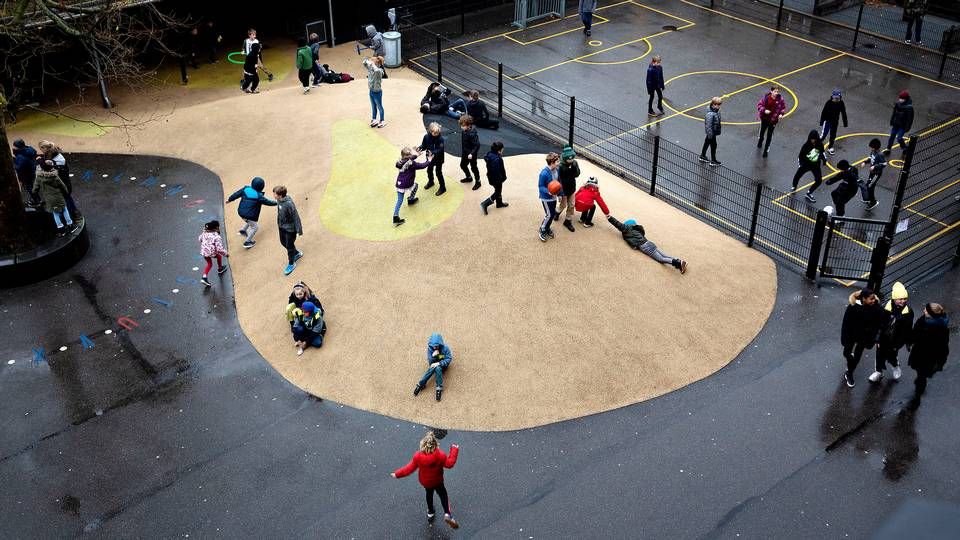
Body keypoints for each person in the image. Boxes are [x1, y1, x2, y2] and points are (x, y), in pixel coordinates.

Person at [391, 431, 460, 529]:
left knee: (429, 494)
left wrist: (397, 474)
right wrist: (454, 449)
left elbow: (408, 469)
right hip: (438, 480)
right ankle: (447, 514)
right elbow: (450, 464)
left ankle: (430, 512)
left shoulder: (418, 457)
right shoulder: (440, 455)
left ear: (422, 446)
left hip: (426, 482)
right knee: (443, 494)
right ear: (436, 445)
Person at [607, 215, 687, 273]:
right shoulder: (637, 230)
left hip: (645, 246)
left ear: (627, 225)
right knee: (664, 255)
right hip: (648, 243)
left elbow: (617, 224)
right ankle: (679, 261)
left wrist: (610, 218)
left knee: (661, 259)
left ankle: (678, 263)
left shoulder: (627, 229)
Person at [840, 287, 885, 388]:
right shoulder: (853, 306)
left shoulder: (876, 308)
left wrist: (875, 337)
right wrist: (844, 337)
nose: (874, 300)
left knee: (857, 356)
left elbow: (880, 323)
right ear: (863, 299)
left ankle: (850, 373)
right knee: (847, 353)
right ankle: (850, 362)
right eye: (871, 299)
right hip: (851, 334)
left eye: (874, 298)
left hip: (864, 336)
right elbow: (846, 323)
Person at [869, 282, 914, 383]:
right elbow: (880, 324)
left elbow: (907, 329)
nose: (903, 301)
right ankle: (878, 372)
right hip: (883, 337)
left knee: (891, 355)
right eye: (900, 299)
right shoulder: (886, 307)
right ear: (894, 299)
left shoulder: (908, 312)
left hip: (895, 340)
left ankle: (895, 366)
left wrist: (900, 343)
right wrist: (877, 338)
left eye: (905, 299)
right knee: (879, 355)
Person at [907, 303, 949, 403]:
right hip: (918, 352)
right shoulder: (923, 320)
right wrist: (910, 341)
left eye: (926, 310)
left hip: (928, 358)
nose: (923, 311)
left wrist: (940, 362)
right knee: (920, 372)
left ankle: (917, 396)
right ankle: (920, 381)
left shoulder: (941, 329)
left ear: (931, 314)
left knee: (921, 375)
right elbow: (915, 332)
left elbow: (943, 347)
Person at [226, 176, 277, 248]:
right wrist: (277, 202)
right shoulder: (259, 196)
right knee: (255, 227)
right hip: (249, 215)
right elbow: (268, 202)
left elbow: (236, 194)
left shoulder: (245, 189)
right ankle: (247, 242)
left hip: (240, 211)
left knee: (250, 221)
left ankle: (243, 230)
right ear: (262, 187)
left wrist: (229, 199)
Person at [32, 160, 74, 236]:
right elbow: (62, 186)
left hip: (49, 199)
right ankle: (70, 224)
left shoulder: (39, 177)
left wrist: (35, 194)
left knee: (56, 213)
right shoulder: (54, 176)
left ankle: (61, 229)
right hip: (58, 196)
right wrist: (66, 193)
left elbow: (35, 189)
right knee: (64, 209)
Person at [393, 147, 430, 227]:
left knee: (399, 200)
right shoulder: (411, 164)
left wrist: (417, 155)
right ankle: (411, 199)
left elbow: (410, 158)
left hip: (399, 183)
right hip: (407, 183)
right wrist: (429, 160)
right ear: (408, 156)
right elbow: (422, 166)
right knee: (415, 185)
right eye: (410, 154)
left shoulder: (400, 161)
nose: (411, 155)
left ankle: (395, 217)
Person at [413, 333, 454, 401]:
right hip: (433, 364)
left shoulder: (446, 348)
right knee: (434, 368)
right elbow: (430, 360)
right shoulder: (430, 349)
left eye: (436, 346)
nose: (435, 347)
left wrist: (438, 362)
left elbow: (448, 358)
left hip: (443, 366)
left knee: (437, 368)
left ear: (440, 344)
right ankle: (424, 385)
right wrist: (433, 356)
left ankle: (422, 385)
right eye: (433, 346)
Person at [273, 185, 303, 275]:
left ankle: (291, 263)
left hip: (290, 229)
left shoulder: (288, 204)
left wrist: (299, 229)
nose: (273, 195)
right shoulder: (278, 201)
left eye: (275, 194)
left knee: (289, 246)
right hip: (281, 226)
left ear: (280, 195)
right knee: (283, 242)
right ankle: (296, 253)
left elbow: (295, 216)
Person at [791, 130, 828, 203]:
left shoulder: (820, 144)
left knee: (819, 180)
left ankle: (809, 193)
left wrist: (824, 160)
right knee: (797, 175)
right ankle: (794, 186)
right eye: (812, 139)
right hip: (806, 164)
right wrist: (800, 165)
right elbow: (800, 156)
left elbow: (822, 153)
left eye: (814, 139)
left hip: (815, 165)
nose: (813, 140)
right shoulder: (806, 145)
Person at [555, 145, 580, 233]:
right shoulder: (560, 166)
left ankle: (568, 220)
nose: (571, 160)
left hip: (572, 187)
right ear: (565, 158)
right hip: (563, 189)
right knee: (563, 205)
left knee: (572, 205)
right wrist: (559, 193)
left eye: (572, 159)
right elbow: (558, 180)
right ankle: (557, 212)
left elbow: (577, 174)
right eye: (569, 159)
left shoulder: (574, 163)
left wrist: (574, 167)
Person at [418, 122, 447, 196]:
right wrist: (420, 148)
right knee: (429, 170)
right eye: (435, 133)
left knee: (438, 173)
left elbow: (440, 149)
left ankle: (443, 187)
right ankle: (431, 182)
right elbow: (424, 145)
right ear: (430, 131)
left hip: (438, 159)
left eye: (438, 132)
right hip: (430, 158)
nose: (437, 134)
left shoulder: (440, 139)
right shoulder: (426, 137)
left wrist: (432, 152)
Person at [756, 86, 786, 158]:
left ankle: (766, 150)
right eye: (775, 91)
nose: (776, 93)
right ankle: (760, 140)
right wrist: (764, 110)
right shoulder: (766, 98)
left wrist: (781, 114)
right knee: (762, 131)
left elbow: (783, 107)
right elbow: (759, 105)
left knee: (769, 136)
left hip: (773, 120)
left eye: (777, 92)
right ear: (771, 91)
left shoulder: (780, 99)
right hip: (765, 119)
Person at [198, 220, 229, 287]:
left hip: (204, 252)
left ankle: (204, 277)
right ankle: (220, 268)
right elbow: (219, 249)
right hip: (211, 252)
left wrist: (203, 232)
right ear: (216, 228)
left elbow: (199, 239)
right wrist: (226, 254)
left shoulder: (205, 233)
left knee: (209, 264)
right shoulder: (217, 237)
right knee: (219, 256)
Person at [538, 152, 561, 242]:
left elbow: (558, 184)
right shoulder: (544, 173)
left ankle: (547, 228)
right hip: (546, 198)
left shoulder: (556, 170)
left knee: (552, 214)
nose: (559, 163)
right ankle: (542, 229)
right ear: (552, 162)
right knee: (549, 214)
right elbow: (540, 186)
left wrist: (559, 194)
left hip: (553, 196)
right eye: (557, 161)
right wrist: (548, 191)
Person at [481, 141, 508, 214]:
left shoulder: (490, 155)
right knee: (497, 192)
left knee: (498, 190)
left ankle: (499, 203)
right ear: (499, 150)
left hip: (491, 177)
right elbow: (497, 172)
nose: (503, 150)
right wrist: (502, 178)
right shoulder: (497, 159)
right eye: (502, 149)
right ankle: (485, 203)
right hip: (497, 179)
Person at [819, 89, 848, 155]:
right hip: (827, 121)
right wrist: (821, 121)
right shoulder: (828, 103)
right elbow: (823, 112)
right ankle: (816, 144)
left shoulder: (841, 103)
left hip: (835, 122)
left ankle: (830, 147)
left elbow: (843, 113)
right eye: (836, 98)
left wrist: (845, 123)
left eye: (838, 98)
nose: (837, 99)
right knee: (824, 134)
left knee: (833, 135)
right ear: (832, 97)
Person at [858, 138, 885, 211]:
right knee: (868, 186)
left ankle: (873, 202)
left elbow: (884, 164)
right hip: (872, 173)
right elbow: (870, 158)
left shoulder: (880, 154)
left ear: (875, 147)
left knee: (870, 187)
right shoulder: (873, 151)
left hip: (876, 174)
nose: (871, 148)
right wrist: (865, 162)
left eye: (872, 147)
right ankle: (868, 199)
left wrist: (874, 166)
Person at [12, 139, 39, 207]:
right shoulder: (29, 149)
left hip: (26, 174)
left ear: (18, 147)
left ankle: (37, 201)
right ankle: (37, 199)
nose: (13, 147)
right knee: (31, 187)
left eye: (14, 146)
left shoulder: (21, 156)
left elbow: (19, 167)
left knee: (29, 188)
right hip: (31, 171)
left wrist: (14, 163)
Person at [458, 114, 481, 190]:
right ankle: (469, 177)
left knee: (474, 168)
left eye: (463, 125)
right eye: (461, 125)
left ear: (468, 125)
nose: (461, 127)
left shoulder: (472, 134)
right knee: (463, 165)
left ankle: (478, 181)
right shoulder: (464, 130)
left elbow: (477, 145)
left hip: (471, 154)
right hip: (465, 152)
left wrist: (472, 153)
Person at [698, 97, 722, 166]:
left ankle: (702, 155)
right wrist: (710, 134)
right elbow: (708, 126)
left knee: (707, 143)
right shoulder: (711, 114)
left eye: (719, 105)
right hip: (712, 133)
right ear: (713, 104)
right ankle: (713, 160)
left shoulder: (715, 111)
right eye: (717, 105)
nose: (718, 106)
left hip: (712, 132)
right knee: (713, 146)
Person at [363, 56, 386, 128]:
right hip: (371, 91)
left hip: (377, 93)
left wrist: (372, 64)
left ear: (377, 64)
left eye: (373, 63)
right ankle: (374, 119)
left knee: (379, 107)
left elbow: (376, 71)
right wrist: (368, 61)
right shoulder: (371, 69)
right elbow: (364, 63)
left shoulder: (380, 71)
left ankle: (382, 121)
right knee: (373, 106)